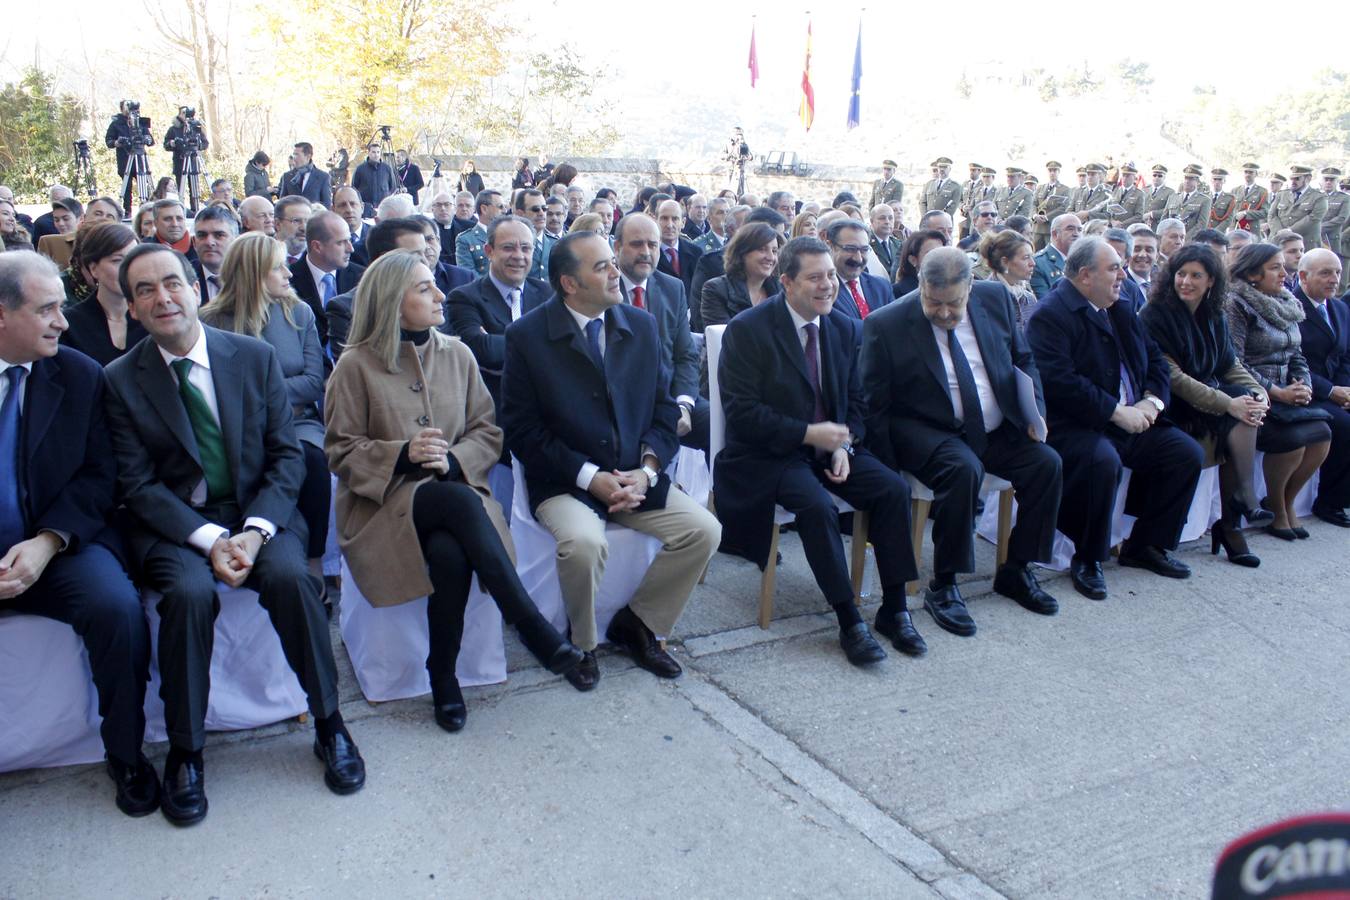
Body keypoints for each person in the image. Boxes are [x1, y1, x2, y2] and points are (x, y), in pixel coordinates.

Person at [104, 243, 365, 824]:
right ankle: (186, 752)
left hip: (258, 512)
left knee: (294, 579)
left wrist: (252, 532)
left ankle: (330, 724)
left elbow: (285, 456)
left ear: (195, 287)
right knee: (189, 596)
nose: (162, 297)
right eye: (144, 290)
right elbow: (139, 486)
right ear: (133, 308)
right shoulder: (120, 380)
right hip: (175, 525)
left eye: (171, 282)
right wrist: (207, 541)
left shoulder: (251, 357)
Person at [327, 248, 584, 728]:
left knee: (449, 550)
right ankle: (529, 624)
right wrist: (402, 454)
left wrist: (453, 460)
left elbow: (488, 431)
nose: (441, 294)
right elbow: (340, 451)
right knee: (456, 501)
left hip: (453, 494)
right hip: (381, 508)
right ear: (391, 301)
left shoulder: (458, 354)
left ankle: (442, 676)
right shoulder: (355, 365)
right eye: (424, 288)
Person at [499, 232, 721, 691]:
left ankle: (637, 624)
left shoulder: (639, 325)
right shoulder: (527, 336)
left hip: (634, 474)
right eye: (601, 267)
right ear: (569, 283)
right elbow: (522, 431)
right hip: (564, 480)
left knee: (704, 531)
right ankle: (582, 644)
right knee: (583, 544)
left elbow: (663, 410)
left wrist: (647, 469)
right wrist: (590, 477)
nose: (616, 272)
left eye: (611, 263)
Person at [1, 252, 157, 816]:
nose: (62, 322)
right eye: (46, 310)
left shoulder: (78, 373)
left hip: (58, 545)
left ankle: (127, 753)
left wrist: (47, 543)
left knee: (117, 609)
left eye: (60, 308)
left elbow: (99, 476)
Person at [715, 236, 914, 662]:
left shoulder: (844, 327)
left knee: (892, 490)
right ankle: (848, 619)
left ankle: (894, 608)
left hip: (831, 448)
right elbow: (744, 414)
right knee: (817, 506)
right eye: (815, 278)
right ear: (785, 281)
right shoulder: (748, 330)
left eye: (830, 276)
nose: (828, 286)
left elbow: (858, 402)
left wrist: (845, 443)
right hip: (768, 453)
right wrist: (810, 434)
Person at [862, 247, 1063, 633]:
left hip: (994, 423)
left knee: (1046, 463)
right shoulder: (885, 323)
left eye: (953, 304)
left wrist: (1033, 411)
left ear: (970, 287)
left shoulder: (996, 297)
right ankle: (945, 583)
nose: (943, 313)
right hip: (928, 427)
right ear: (920, 286)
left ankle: (1017, 568)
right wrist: (886, 471)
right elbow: (874, 403)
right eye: (933, 302)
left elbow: (1023, 359)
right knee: (963, 468)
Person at [1025, 237, 1204, 600]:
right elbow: (1060, 382)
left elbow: (1156, 361)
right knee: (1100, 461)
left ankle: (1146, 546)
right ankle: (1088, 557)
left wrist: (1152, 403)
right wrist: (1115, 411)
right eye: (1113, 268)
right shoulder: (1051, 315)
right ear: (1086, 275)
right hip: (1078, 424)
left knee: (1185, 453)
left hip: (1133, 416)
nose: (1122, 274)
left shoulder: (1119, 308)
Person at [200, 232, 330, 589]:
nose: (289, 274)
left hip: (297, 423)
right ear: (254, 272)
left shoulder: (298, 312)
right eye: (279, 267)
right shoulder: (211, 321)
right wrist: (267, 397)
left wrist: (262, 396)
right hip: (234, 428)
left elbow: (313, 381)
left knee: (314, 462)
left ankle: (314, 562)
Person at [1139, 245, 1274, 567]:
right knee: (1236, 413)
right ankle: (1235, 516)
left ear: (1211, 281)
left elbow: (1229, 364)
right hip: (1170, 406)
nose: (1185, 281)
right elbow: (1174, 378)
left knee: (1247, 405)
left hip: (1207, 401)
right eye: (1181, 274)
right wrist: (1228, 403)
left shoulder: (1213, 314)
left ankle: (1233, 517)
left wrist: (1258, 393)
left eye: (1195, 275)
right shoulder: (1155, 315)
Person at [1225, 242, 1333, 539]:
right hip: (1256, 394)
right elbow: (1236, 360)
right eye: (1275, 268)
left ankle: (1282, 501)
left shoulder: (1287, 302)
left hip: (1288, 390)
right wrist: (1276, 391)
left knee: (1323, 433)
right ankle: (1279, 511)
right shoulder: (1236, 303)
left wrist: (1304, 386)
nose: (1285, 273)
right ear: (1252, 274)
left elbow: (1297, 353)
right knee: (1294, 439)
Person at [612, 213, 707, 450]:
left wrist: (684, 404)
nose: (646, 251)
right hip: (621, 405)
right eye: (636, 244)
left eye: (652, 245)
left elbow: (685, 355)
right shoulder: (603, 288)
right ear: (617, 247)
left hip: (670, 397)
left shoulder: (672, 287)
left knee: (721, 425)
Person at [446, 216, 552, 406]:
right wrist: (542, 342)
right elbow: (480, 349)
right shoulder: (464, 298)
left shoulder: (548, 295)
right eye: (508, 247)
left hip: (547, 404)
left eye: (526, 248)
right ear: (489, 251)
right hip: (493, 407)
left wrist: (496, 341)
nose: (519, 255)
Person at [1293, 249, 1350, 526]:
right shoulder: (1292, 307)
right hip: (1304, 389)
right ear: (1303, 276)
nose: (1334, 279)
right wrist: (1331, 391)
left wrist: (1345, 390)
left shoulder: (1338, 308)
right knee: (1343, 425)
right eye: (1326, 273)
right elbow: (1294, 360)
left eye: (1337, 272)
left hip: (1336, 390)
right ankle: (1329, 503)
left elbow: (1345, 355)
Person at [59, 224, 145, 365]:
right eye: (118, 260)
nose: (129, 269)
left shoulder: (151, 316)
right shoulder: (70, 324)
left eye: (134, 259)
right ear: (93, 269)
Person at [289, 211, 364, 351]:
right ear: (317, 246)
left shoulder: (362, 277)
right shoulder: (288, 281)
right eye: (341, 243)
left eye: (350, 240)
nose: (350, 248)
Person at [700, 222, 783, 328]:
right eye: (762, 249)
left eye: (774, 251)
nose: (771, 257)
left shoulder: (780, 289)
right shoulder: (716, 289)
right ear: (742, 252)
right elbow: (725, 337)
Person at [824, 219, 891, 319]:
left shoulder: (881, 287)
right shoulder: (823, 292)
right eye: (850, 249)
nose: (858, 258)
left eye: (864, 250)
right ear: (830, 246)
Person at [980, 228, 1038, 329]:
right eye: (1025, 258)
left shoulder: (1029, 299)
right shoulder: (985, 298)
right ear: (1005, 262)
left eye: (1031, 257)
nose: (1032, 263)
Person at [190, 204, 239, 305]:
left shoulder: (252, 276)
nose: (209, 242)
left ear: (236, 241)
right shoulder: (185, 279)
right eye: (202, 235)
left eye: (219, 235)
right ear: (194, 242)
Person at [413, 214, 472, 297]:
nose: (426, 247)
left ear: (439, 242)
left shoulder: (465, 279)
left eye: (430, 239)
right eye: (418, 241)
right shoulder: (396, 282)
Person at [653, 199, 703, 298]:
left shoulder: (696, 252)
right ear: (656, 221)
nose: (670, 225)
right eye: (664, 218)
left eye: (675, 219)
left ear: (683, 222)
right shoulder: (649, 253)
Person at [455, 189, 505, 276]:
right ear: (484, 209)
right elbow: (468, 275)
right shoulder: (466, 240)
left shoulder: (508, 235)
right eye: (500, 206)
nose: (504, 210)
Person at [1030, 213, 1081, 298]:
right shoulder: (1038, 263)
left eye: (1079, 230)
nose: (1076, 234)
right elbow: (1045, 303)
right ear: (1054, 234)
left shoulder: (1084, 260)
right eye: (1070, 229)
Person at [893, 228, 945, 298]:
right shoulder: (897, 292)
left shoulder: (952, 287)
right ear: (913, 260)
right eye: (931, 254)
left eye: (941, 253)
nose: (939, 258)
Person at [278, 143, 333, 208]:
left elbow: (327, 205)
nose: (294, 159)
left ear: (308, 156)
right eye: (293, 155)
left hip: (313, 217)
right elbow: (281, 203)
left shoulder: (323, 177)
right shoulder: (287, 176)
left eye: (297, 155)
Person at [36, 198, 83, 269]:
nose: (61, 224)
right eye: (56, 220)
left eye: (66, 219)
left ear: (81, 218)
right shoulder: (48, 243)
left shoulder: (90, 240)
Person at [273, 195, 313, 265]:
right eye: (296, 221)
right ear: (278, 224)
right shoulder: (262, 255)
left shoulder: (319, 260)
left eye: (308, 222)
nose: (304, 228)